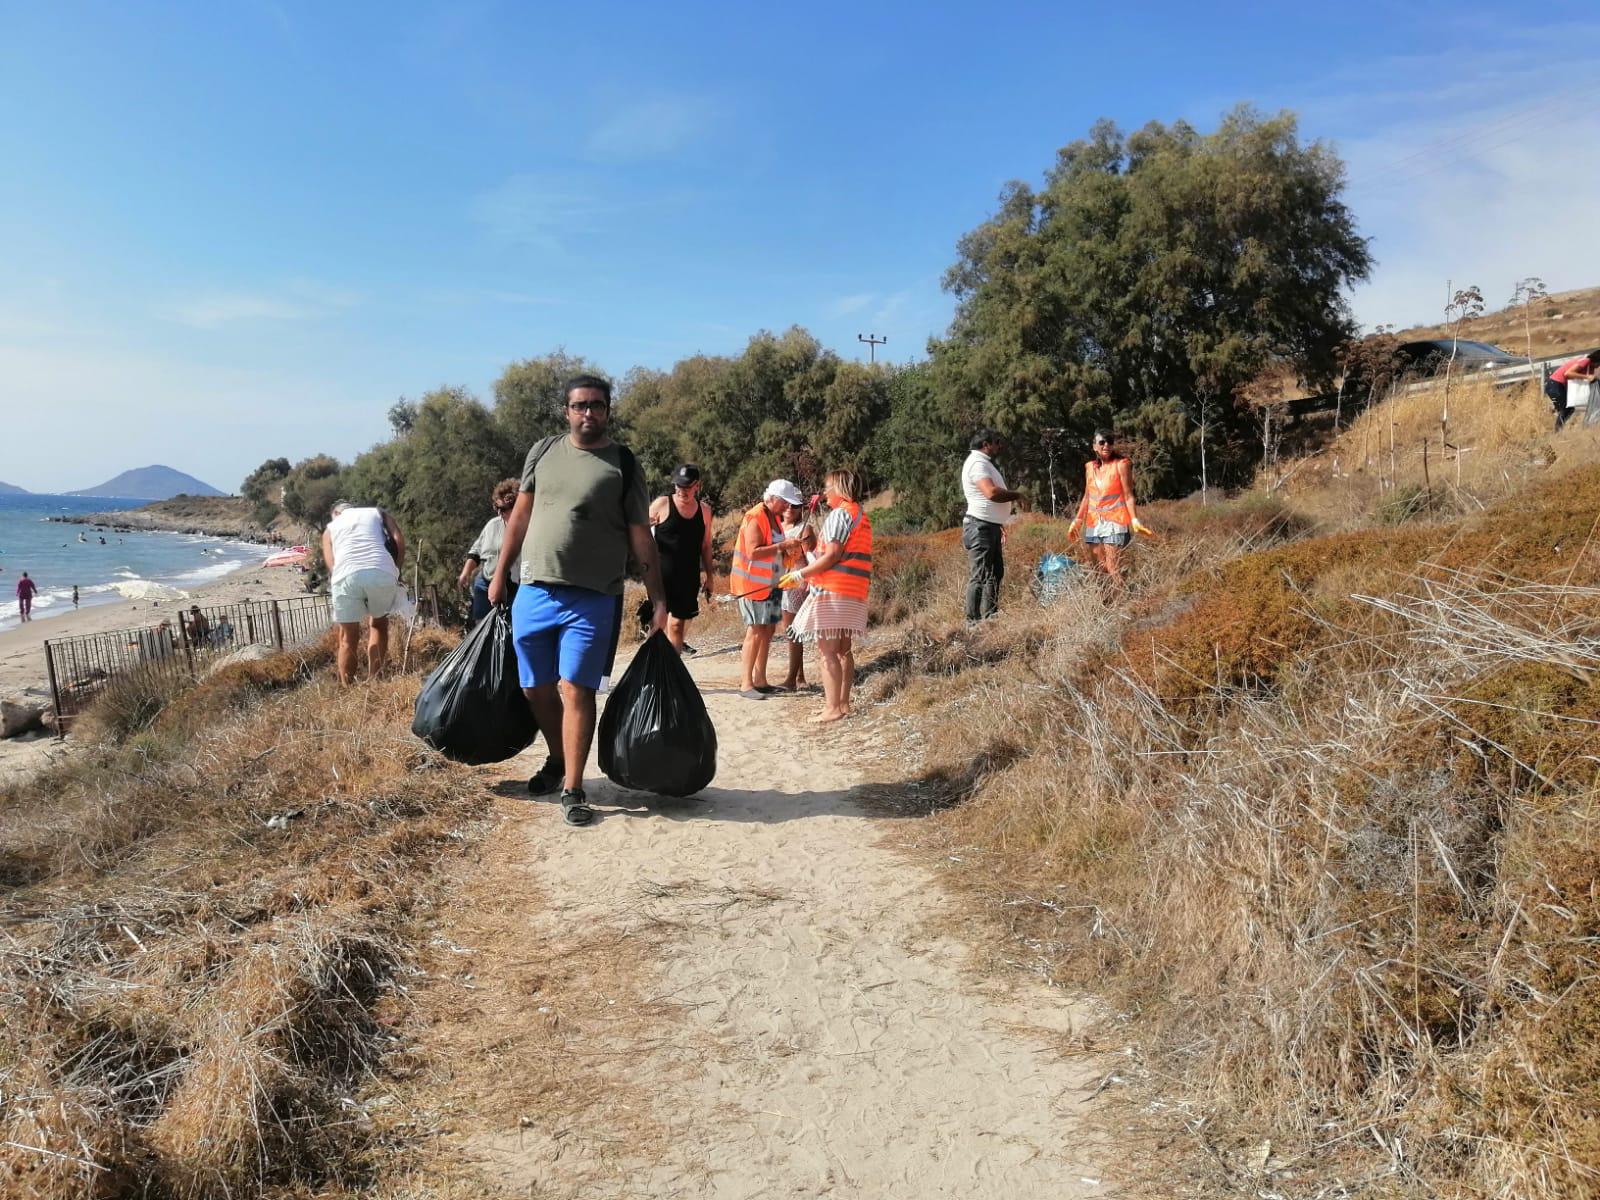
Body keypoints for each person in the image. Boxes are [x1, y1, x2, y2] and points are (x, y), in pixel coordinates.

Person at [488, 374, 667, 828]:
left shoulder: (622, 463)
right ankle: (556, 756)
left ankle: (572, 786)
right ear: (566, 410)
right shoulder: (543, 452)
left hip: (594, 596)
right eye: (580, 405)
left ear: (609, 411)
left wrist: (658, 599)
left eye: (597, 406)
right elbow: (521, 516)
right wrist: (498, 574)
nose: (589, 413)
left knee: (577, 689)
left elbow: (640, 536)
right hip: (535, 589)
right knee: (535, 689)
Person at [781, 470, 872, 723]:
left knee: (828, 653)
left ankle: (832, 708)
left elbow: (832, 556)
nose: (824, 493)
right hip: (854, 591)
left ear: (839, 488)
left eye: (827, 487)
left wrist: (800, 575)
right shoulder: (860, 515)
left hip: (833, 592)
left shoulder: (839, 515)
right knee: (844, 651)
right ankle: (843, 705)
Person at [731, 480, 803, 700]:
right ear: (774, 499)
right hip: (753, 586)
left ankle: (760, 680)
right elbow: (753, 552)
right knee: (755, 631)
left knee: (768, 630)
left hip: (771, 584)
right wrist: (783, 546)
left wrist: (789, 551)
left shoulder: (773, 518)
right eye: (785, 503)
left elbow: (773, 550)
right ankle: (746, 684)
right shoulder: (755, 517)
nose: (787, 508)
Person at [321, 501, 406, 685]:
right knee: (378, 625)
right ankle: (374, 681)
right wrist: (396, 571)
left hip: (345, 574)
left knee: (347, 636)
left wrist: (339, 578)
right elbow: (399, 540)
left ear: (336, 513)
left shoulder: (331, 527)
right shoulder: (377, 513)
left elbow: (331, 560)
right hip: (381, 570)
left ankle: (347, 687)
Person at [648, 464, 715, 654]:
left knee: (677, 626)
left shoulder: (705, 511)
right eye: (678, 486)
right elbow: (640, 533)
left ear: (697, 486)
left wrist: (710, 578)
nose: (682, 491)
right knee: (658, 625)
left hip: (688, 577)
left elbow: (706, 546)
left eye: (687, 486)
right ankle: (651, 671)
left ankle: (672, 675)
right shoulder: (662, 504)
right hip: (661, 578)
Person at [1068, 429, 1145, 589]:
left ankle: (1126, 602)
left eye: (1110, 442)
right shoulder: (1090, 467)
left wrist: (1134, 519)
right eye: (1102, 442)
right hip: (1094, 524)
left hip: (1115, 523)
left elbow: (1128, 495)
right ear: (1094, 446)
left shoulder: (1121, 465)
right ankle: (1105, 603)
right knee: (1098, 568)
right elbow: (1087, 497)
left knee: (1113, 567)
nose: (1106, 445)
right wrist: (1078, 520)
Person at [961, 429, 1024, 621]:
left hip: (989, 526)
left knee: (995, 573)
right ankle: (972, 623)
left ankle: (990, 618)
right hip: (980, 527)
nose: (999, 446)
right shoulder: (977, 463)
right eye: (997, 442)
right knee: (979, 575)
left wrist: (998, 523)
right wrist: (1017, 494)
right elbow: (991, 493)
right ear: (986, 444)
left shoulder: (983, 463)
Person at [458, 478, 521, 624]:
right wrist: (465, 573)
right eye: (496, 508)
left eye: (503, 509)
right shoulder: (493, 525)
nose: (499, 513)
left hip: (513, 586)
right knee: (482, 624)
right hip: (485, 583)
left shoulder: (526, 528)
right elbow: (476, 551)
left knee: (511, 625)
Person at [777, 501, 818, 691]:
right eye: (786, 505)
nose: (789, 509)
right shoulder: (777, 527)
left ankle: (793, 678)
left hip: (798, 582)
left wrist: (803, 542)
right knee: (790, 632)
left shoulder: (805, 528)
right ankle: (798, 676)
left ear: (801, 508)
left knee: (794, 632)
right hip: (781, 581)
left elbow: (811, 553)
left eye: (794, 506)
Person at [1546, 349, 1600, 430]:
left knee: (1566, 409)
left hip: (1558, 386)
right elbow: (1568, 373)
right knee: (1567, 408)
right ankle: (1557, 431)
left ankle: (1556, 422)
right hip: (1555, 385)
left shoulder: (1590, 367)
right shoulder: (1585, 361)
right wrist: (1587, 377)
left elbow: (1591, 381)